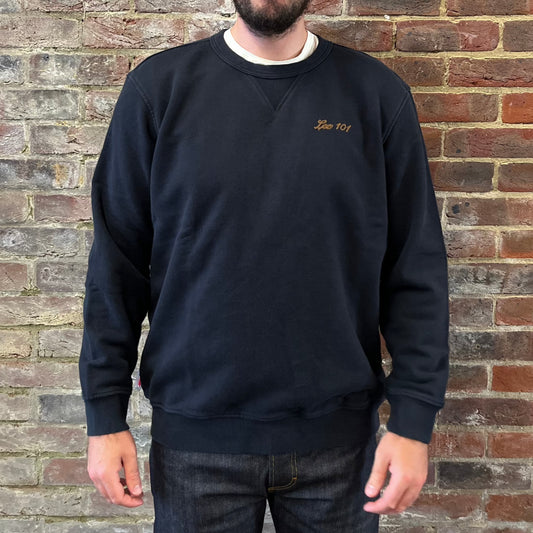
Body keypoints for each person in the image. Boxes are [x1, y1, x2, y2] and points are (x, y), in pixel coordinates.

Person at [79, 0, 450, 531]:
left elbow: (414, 271)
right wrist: (103, 415)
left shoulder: (375, 95)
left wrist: (413, 422)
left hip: (338, 447)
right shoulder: (158, 90)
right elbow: (116, 266)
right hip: (196, 441)